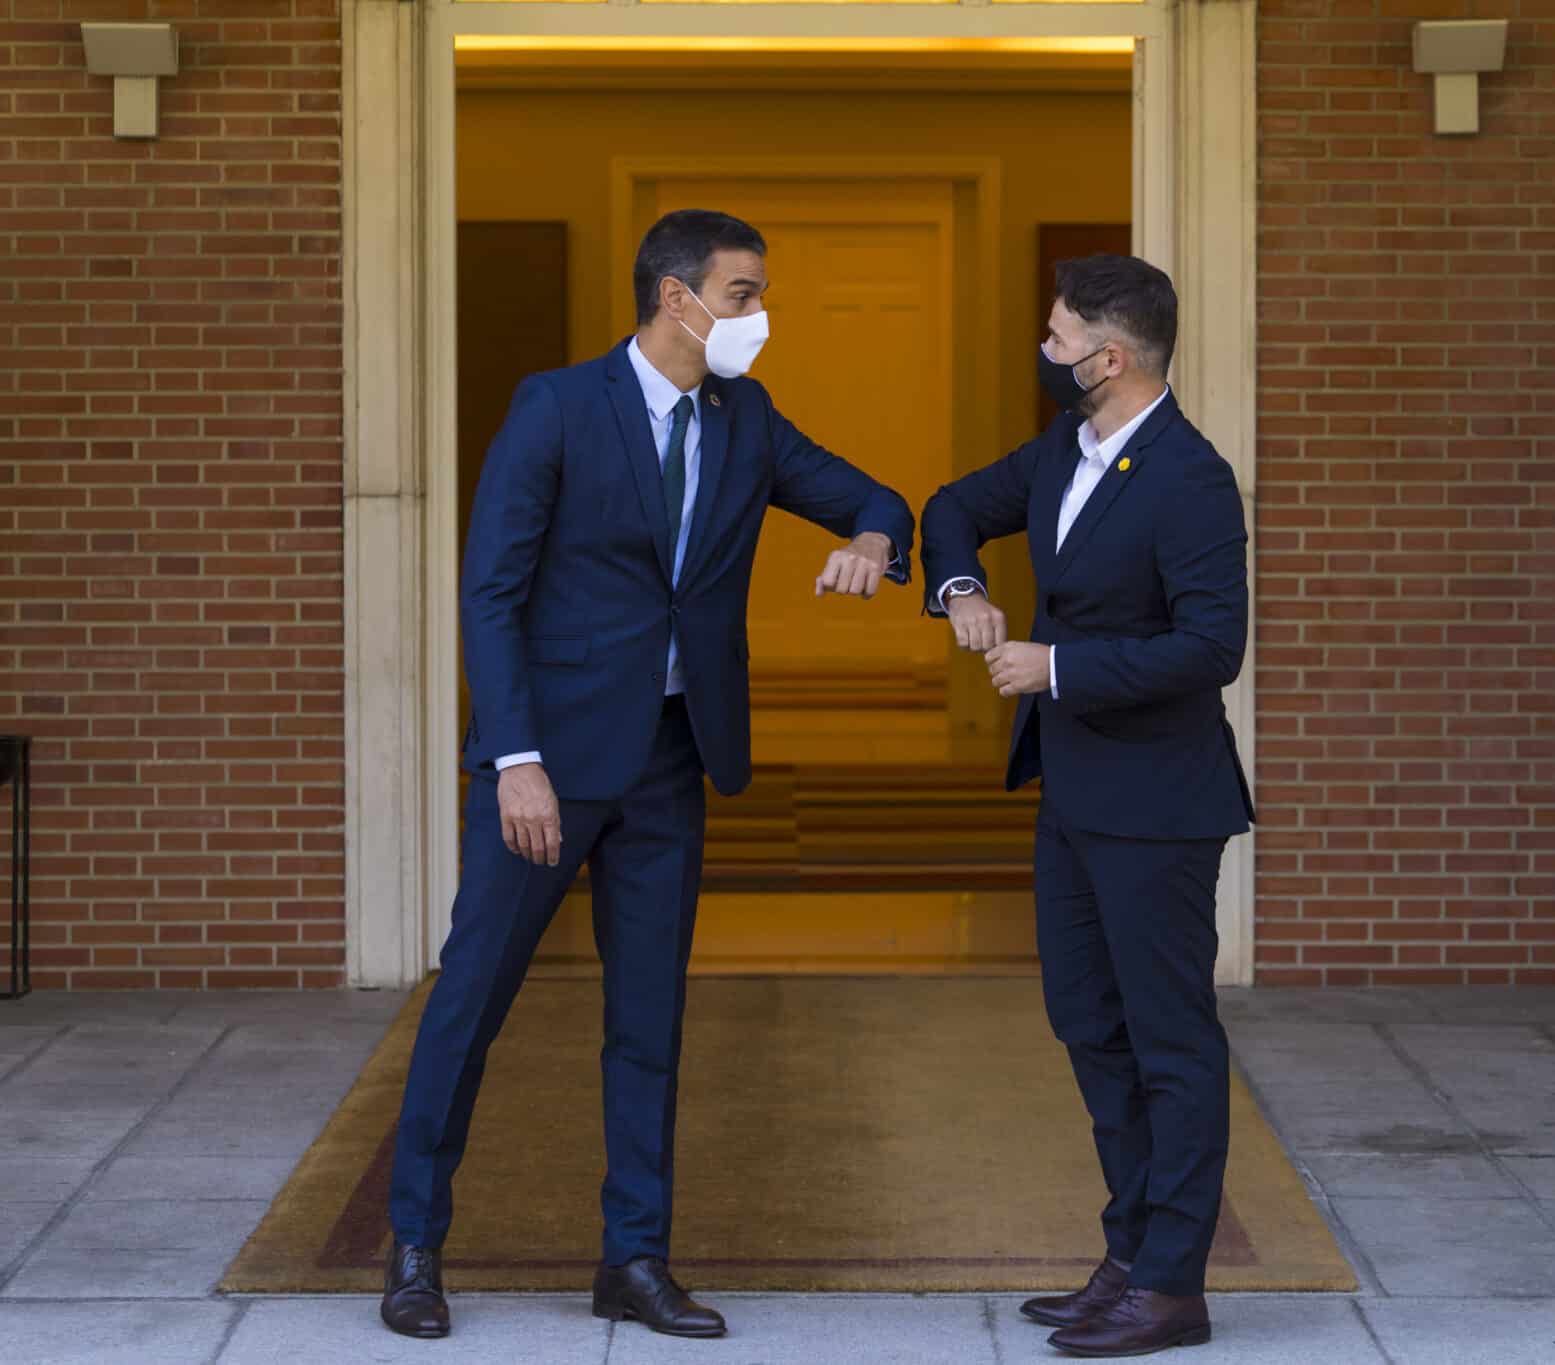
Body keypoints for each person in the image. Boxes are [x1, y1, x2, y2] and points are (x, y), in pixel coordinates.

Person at [381, 209, 914, 1342]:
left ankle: (633, 1258)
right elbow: (491, 591)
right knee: (472, 1000)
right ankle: (416, 1247)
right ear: (675, 299)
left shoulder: (749, 418)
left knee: (649, 1020)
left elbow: (874, 498)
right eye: (741, 296)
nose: (757, 318)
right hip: (550, 766)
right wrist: (512, 757)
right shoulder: (558, 406)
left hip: (671, 762)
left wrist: (872, 545)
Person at [920, 254, 1252, 1358]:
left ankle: (1172, 1286)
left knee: (1167, 1040)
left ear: (1108, 359)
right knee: (1088, 1026)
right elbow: (954, 505)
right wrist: (962, 586)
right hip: (1069, 794)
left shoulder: (1190, 479)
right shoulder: (1066, 447)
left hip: (1158, 803)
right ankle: (1128, 1253)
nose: (1045, 351)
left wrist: (1052, 668)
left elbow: (1210, 647)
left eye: (1057, 338)